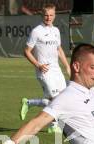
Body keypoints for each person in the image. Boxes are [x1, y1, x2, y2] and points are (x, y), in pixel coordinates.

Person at [21, 3, 70, 133]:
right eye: (46, 15)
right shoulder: (37, 31)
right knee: (55, 99)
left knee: (61, 98)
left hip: (56, 70)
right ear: (42, 15)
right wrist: (38, 65)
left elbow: (59, 49)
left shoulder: (56, 31)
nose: (48, 17)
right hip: (44, 70)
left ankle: (29, 103)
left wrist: (66, 66)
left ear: (55, 16)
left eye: (51, 15)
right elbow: (26, 51)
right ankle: (53, 125)